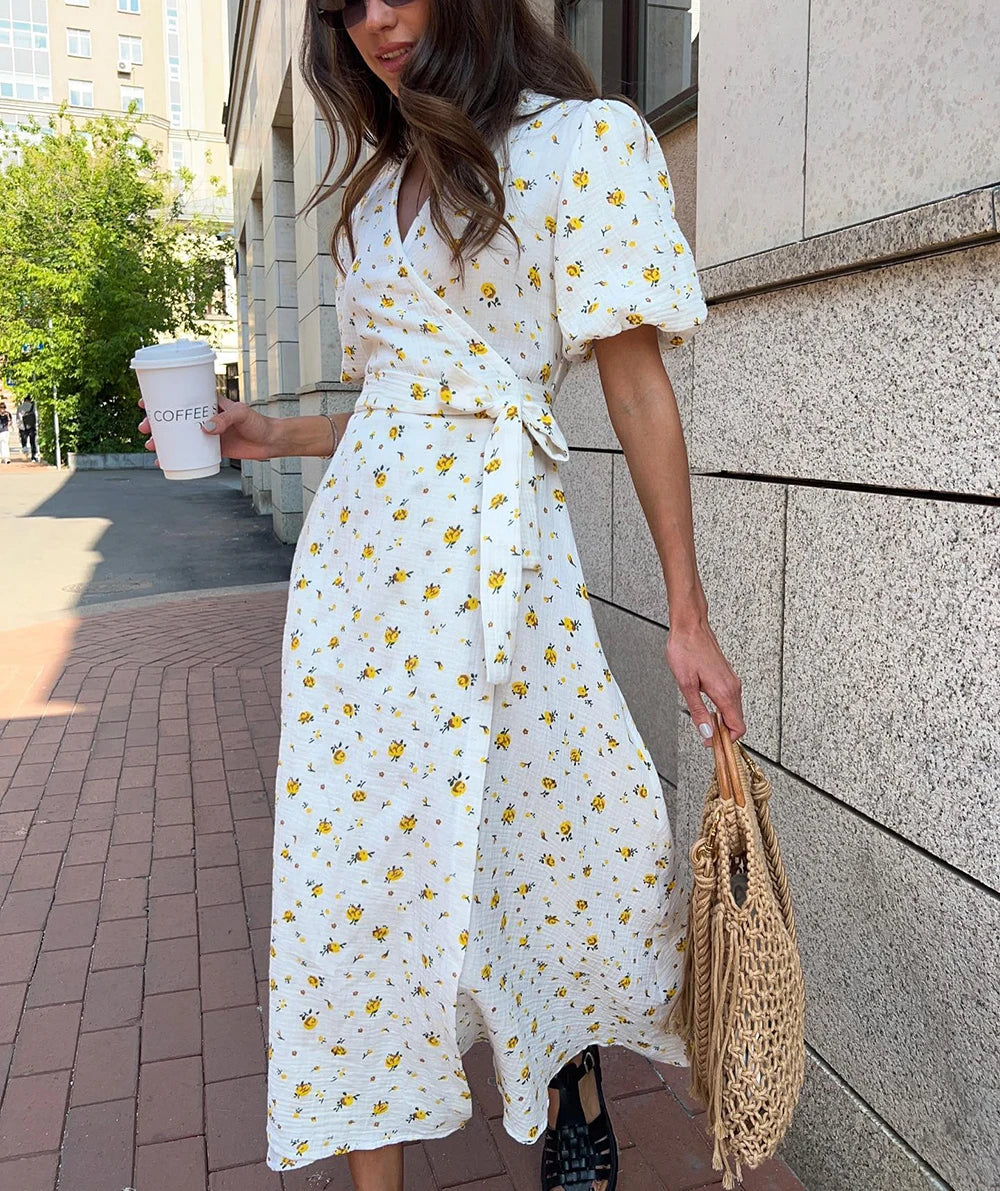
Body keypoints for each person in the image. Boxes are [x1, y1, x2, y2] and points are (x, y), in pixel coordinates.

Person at [141, 3, 745, 1189]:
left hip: (497, 560)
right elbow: (396, 407)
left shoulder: (583, 142)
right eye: (341, 6)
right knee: (355, 867)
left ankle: (567, 1072)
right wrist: (274, 434)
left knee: (544, 832)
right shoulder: (370, 197)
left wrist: (687, 610)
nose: (373, 21)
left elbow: (634, 390)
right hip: (357, 583)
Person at [17, 397, 38, 462]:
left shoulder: (20, 407)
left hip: (23, 428)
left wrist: (19, 426)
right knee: (33, 442)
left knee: (24, 442)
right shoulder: (33, 407)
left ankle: (25, 454)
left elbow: (18, 417)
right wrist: (36, 425)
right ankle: (33, 457)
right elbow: (36, 416)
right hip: (32, 427)